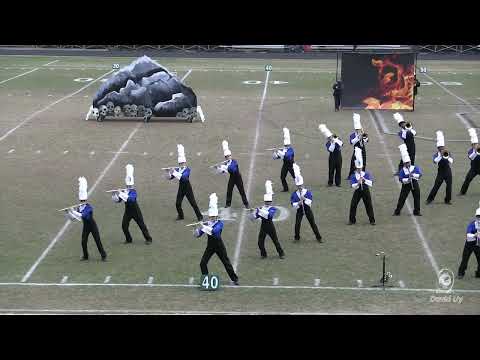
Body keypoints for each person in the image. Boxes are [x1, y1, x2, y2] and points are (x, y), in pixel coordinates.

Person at [194, 193, 239, 285]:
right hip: (210, 246)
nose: (212, 218)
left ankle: (235, 279)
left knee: (226, 262)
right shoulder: (207, 224)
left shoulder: (220, 224)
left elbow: (215, 232)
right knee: (202, 263)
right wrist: (196, 230)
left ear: (217, 216)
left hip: (219, 246)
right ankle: (206, 281)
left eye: (214, 217)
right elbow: (198, 235)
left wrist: (204, 227)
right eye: (211, 217)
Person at [66, 177, 107, 261]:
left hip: (92, 226)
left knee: (97, 241)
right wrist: (69, 213)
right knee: (83, 241)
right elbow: (76, 218)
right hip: (86, 226)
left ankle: (103, 255)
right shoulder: (79, 207)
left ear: (85, 199)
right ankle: (85, 256)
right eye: (81, 201)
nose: (82, 202)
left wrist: (72, 211)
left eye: (83, 200)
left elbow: (82, 216)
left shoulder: (89, 207)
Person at [112, 164, 152, 244]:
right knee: (124, 226)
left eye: (130, 185)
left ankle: (149, 239)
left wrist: (121, 193)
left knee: (141, 225)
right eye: (128, 185)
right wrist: (114, 195)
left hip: (135, 210)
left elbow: (131, 199)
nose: (129, 186)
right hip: (128, 211)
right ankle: (129, 239)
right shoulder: (124, 191)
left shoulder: (133, 191)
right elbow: (118, 201)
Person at [165, 144, 203, 221]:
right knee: (177, 203)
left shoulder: (187, 169)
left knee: (193, 203)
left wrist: (174, 172)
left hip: (187, 188)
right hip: (181, 188)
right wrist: (168, 172)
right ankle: (181, 216)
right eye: (180, 163)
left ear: (185, 163)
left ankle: (200, 216)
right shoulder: (178, 170)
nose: (181, 164)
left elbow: (184, 177)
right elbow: (170, 178)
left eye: (182, 163)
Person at [248, 180, 285, 259]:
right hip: (263, 226)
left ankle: (281, 253)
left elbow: (268, 216)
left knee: (275, 241)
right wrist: (252, 212)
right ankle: (263, 254)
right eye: (267, 201)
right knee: (260, 242)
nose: (268, 203)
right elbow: (253, 218)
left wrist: (258, 210)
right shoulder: (261, 208)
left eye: (269, 201)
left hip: (270, 226)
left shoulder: (272, 208)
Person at [290, 164, 323, 242]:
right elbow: (293, 204)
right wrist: (298, 203)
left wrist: (304, 199)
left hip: (307, 209)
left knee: (312, 223)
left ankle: (319, 237)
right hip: (300, 210)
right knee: (297, 224)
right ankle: (296, 238)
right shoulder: (294, 194)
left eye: (300, 185)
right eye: (298, 186)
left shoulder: (307, 192)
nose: (299, 187)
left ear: (303, 184)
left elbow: (310, 202)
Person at [214, 140, 249, 208]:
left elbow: (232, 169)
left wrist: (223, 166)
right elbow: (223, 171)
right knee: (229, 190)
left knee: (241, 191)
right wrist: (217, 168)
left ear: (231, 155)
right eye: (226, 156)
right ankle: (228, 203)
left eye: (229, 156)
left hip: (238, 178)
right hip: (232, 178)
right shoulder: (226, 163)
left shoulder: (234, 162)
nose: (228, 157)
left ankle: (246, 203)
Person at [348, 148, 376, 225]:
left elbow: (371, 183)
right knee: (353, 204)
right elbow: (353, 186)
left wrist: (364, 180)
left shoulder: (366, 174)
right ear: (356, 168)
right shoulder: (353, 176)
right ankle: (352, 220)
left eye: (360, 168)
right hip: (358, 191)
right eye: (358, 168)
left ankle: (372, 220)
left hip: (365, 190)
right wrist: (358, 183)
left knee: (368, 205)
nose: (359, 169)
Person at [394, 144, 422, 216]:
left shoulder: (414, 168)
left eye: (408, 162)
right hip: (406, 185)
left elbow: (419, 175)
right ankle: (397, 211)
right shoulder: (402, 170)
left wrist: (413, 175)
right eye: (406, 163)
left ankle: (417, 211)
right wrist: (407, 180)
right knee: (402, 198)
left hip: (414, 183)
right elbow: (401, 179)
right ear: (404, 163)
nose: (408, 164)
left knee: (417, 196)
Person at [426, 131, 453, 205]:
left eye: (442, 147)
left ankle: (447, 200)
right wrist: (440, 156)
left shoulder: (447, 152)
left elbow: (451, 161)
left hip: (448, 172)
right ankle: (430, 199)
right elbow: (435, 162)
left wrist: (446, 157)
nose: (442, 149)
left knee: (449, 186)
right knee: (436, 186)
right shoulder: (436, 155)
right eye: (440, 148)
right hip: (440, 172)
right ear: (438, 148)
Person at [457, 202, 480, 279]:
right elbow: (468, 235)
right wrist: (475, 235)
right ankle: (461, 273)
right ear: (476, 217)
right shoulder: (472, 224)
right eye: (478, 216)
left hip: (479, 245)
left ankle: (478, 273)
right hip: (470, 244)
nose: (479, 218)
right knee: (465, 259)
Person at [272, 128, 295, 192]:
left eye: (287, 145)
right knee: (282, 177)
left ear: (289, 145)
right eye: (285, 145)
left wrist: (278, 151)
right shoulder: (283, 150)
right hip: (285, 165)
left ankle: (300, 188)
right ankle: (285, 189)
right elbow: (275, 158)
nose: (286, 146)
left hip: (291, 165)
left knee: (295, 177)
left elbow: (286, 156)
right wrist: (274, 152)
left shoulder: (291, 150)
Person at [459, 128, 480, 195]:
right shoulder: (470, 151)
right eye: (473, 144)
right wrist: (476, 152)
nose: (475, 145)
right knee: (467, 179)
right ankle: (462, 192)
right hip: (474, 169)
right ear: (472, 145)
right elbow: (471, 157)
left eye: (476, 144)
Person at [347, 113, 368, 179]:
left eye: (358, 129)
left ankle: (362, 174)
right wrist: (358, 137)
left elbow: (366, 141)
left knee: (364, 162)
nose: (358, 130)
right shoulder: (352, 135)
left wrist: (363, 135)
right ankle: (351, 175)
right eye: (357, 129)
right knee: (353, 162)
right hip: (356, 149)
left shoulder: (363, 134)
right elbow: (351, 142)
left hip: (362, 149)